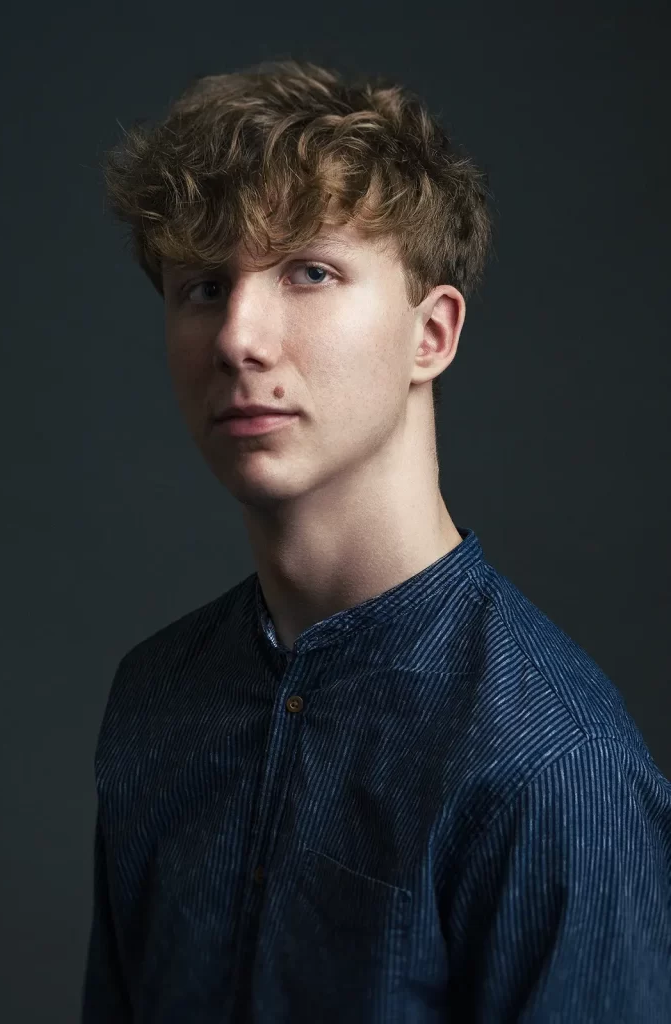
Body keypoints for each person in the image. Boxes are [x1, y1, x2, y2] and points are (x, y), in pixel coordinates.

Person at [81, 58, 671, 1023]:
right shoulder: (155, 700)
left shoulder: (554, 766)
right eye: (202, 285)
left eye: (308, 271)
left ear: (430, 335)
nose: (238, 336)